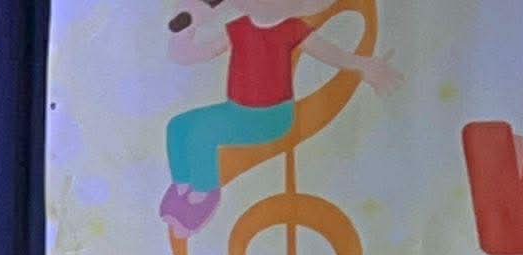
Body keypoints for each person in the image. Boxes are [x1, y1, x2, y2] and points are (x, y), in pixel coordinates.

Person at [161, 0, 401, 238]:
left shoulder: (291, 29)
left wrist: (363, 64)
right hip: (237, 111)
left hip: (271, 117)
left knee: (203, 134)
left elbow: (331, 54)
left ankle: (204, 193)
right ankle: (182, 186)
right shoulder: (238, 27)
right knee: (178, 126)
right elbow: (195, 54)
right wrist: (185, 31)